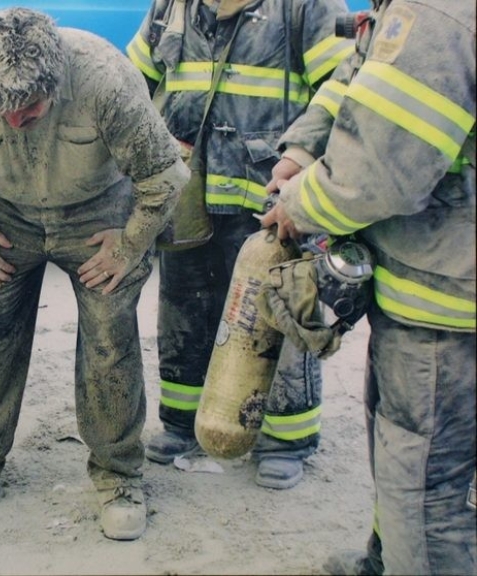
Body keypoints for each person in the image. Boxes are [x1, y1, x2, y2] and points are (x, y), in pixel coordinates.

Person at [0, 7, 189, 541]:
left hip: (97, 217)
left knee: (109, 340)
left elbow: (165, 178)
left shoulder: (102, 75)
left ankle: (119, 475)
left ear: (56, 84)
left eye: (28, 111)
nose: (12, 123)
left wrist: (129, 244)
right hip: (3, 219)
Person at [261, 0, 476, 573]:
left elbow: (380, 174)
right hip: (439, 281)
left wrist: (300, 204)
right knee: (402, 451)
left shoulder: (440, 14)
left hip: (447, 304)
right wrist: (304, 148)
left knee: (424, 485)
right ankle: (386, 560)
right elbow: (359, 77)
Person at [125, 0, 353, 489]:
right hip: (191, 196)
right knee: (184, 308)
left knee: (280, 316)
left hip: (273, 204)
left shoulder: (305, 7)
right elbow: (131, 87)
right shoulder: (170, 7)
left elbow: (344, 94)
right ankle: (184, 422)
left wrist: (308, 186)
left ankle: (284, 439)